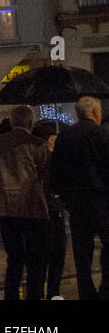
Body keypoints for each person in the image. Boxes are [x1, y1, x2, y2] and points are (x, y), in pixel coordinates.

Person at [0, 105, 49, 302]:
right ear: (30, 122)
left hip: (7, 207)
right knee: (35, 259)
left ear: (12, 122)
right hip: (33, 207)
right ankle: (35, 296)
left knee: (14, 257)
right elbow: (45, 174)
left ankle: (11, 295)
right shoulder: (38, 143)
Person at [50, 96, 109, 301]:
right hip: (102, 201)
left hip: (76, 202)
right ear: (95, 113)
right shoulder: (102, 134)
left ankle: (86, 292)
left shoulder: (65, 137)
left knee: (82, 252)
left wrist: (65, 197)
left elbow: (55, 171)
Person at [32, 120, 67, 300]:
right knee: (48, 252)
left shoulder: (54, 157)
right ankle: (47, 291)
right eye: (51, 139)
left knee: (57, 252)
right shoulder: (41, 158)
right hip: (46, 211)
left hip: (53, 209)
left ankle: (53, 291)